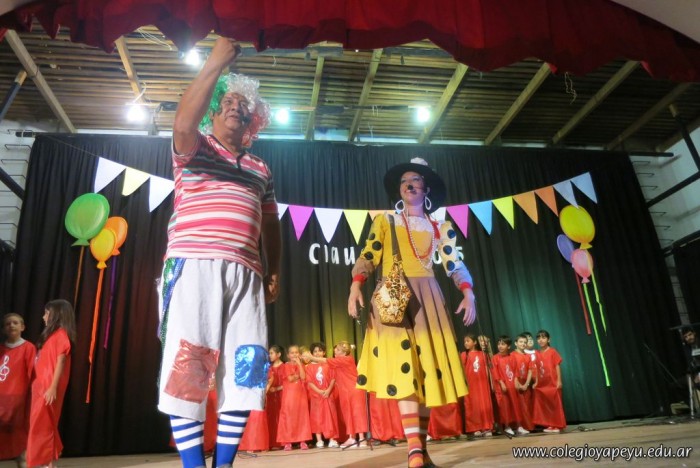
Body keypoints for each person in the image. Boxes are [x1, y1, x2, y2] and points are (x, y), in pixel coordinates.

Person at [157, 36, 281, 468]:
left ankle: (224, 463)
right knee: (190, 365)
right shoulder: (196, 148)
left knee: (249, 366)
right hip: (194, 263)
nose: (235, 106)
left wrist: (274, 269)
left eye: (243, 104)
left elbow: (271, 224)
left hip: (247, 272)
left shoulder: (262, 168)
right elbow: (182, 124)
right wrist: (217, 61)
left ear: (253, 120)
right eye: (226, 100)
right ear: (212, 110)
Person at [348, 158, 477, 468]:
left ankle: (420, 449)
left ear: (426, 188)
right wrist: (355, 285)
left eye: (415, 179)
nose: (409, 184)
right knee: (405, 369)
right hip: (396, 296)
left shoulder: (440, 227)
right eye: (404, 180)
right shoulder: (386, 221)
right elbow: (369, 254)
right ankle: (415, 450)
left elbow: (453, 262)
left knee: (426, 372)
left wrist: (468, 291)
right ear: (399, 189)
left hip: (428, 299)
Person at [26, 300, 76, 468]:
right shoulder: (52, 335)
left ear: (56, 315)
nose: (43, 316)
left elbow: (61, 361)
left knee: (43, 424)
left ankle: (46, 463)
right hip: (41, 385)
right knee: (42, 423)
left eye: (47, 313)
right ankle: (47, 463)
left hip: (48, 387)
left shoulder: (61, 335)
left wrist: (53, 387)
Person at [303, 341, 367, 449]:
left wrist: (311, 357)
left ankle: (361, 438)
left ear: (344, 352)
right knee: (348, 414)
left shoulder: (347, 359)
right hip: (345, 391)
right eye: (335, 349)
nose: (335, 351)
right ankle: (352, 437)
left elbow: (325, 360)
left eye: (337, 350)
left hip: (353, 390)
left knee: (357, 414)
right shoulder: (337, 362)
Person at [0, 313, 36, 468]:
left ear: (22, 327)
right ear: (3, 329)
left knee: (20, 432)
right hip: (2, 398)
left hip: (19, 398)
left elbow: (33, 374)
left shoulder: (28, 348)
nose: (11, 326)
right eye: (8, 324)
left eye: (15, 323)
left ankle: (22, 459)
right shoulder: (1, 349)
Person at [277, 345, 311, 451]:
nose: (295, 354)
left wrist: (299, 364)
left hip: (300, 394)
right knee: (288, 416)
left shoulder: (302, 365)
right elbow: (290, 378)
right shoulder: (285, 365)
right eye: (292, 353)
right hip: (289, 395)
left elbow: (303, 377)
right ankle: (288, 442)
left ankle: (303, 441)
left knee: (302, 416)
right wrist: (297, 376)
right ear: (288, 355)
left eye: (296, 352)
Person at [306, 342, 340, 448]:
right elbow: (309, 381)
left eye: (320, 351)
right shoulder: (309, 367)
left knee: (330, 416)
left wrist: (328, 390)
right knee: (317, 417)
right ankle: (319, 440)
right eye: (315, 351)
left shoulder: (328, 364)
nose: (317, 353)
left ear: (324, 352)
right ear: (312, 353)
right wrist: (319, 391)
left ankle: (332, 439)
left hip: (328, 395)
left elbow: (333, 378)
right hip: (316, 396)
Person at [531, 330, 566, 433]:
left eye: (543, 338)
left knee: (555, 404)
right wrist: (536, 382)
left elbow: (557, 366)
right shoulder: (537, 353)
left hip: (553, 382)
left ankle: (558, 425)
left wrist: (559, 380)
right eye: (539, 338)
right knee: (546, 405)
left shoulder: (552, 351)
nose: (541, 340)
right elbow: (537, 369)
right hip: (543, 384)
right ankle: (551, 424)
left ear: (548, 339)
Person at [461, 334, 494, 438]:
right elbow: (462, 370)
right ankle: (475, 428)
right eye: (465, 341)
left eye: (468, 341)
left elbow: (488, 369)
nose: (466, 343)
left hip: (483, 384)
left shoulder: (483, 354)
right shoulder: (464, 355)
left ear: (475, 342)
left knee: (484, 405)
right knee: (472, 406)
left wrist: (490, 383)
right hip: (471, 385)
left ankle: (487, 427)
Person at [491, 336, 517, 436]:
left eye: (503, 344)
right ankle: (507, 426)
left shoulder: (512, 357)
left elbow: (515, 370)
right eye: (499, 344)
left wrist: (516, 381)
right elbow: (495, 372)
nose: (500, 346)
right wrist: (501, 383)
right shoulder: (495, 358)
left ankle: (518, 425)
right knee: (504, 406)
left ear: (508, 346)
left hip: (511, 384)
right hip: (501, 386)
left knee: (514, 405)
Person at [512, 334, 534, 434]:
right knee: (519, 406)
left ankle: (527, 426)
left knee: (527, 406)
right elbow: (512, 370)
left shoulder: (528, 356)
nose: (523, 344)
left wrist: (526, 384)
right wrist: (518, 384)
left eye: (525, 342)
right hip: (516, 384)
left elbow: (530, 370)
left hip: (525, 385)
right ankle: (519, 426)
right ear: (515, 343)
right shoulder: (512, 355)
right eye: (521, 342)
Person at [266, 345, 284, 450]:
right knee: (271, 418)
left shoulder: (284, 366)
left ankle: (281, 442)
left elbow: (287, 383)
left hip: (281, 395)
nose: (270, 355)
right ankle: (272, 441)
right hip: (271, 396)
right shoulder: (269, 368)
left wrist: (277, 388)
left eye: (272, 353)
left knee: (281, 417)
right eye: (269, 353)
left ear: (279, 354)